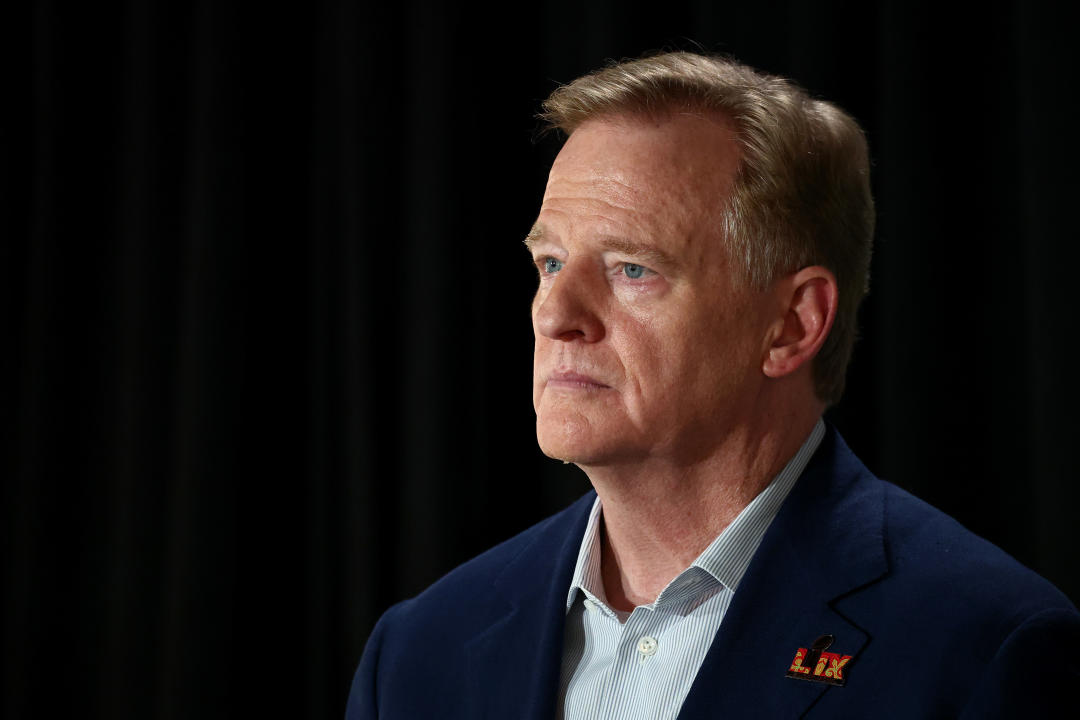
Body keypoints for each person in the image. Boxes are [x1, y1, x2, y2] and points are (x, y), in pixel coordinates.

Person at [346, 52, 1080, 719]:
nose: (554, 314)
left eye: (633, 269)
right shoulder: (419, 654)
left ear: (792, 325)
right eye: (549, 263)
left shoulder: (984, 648)